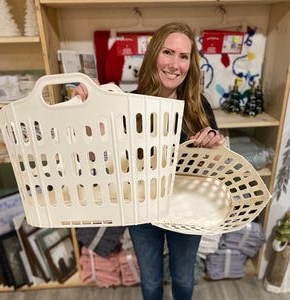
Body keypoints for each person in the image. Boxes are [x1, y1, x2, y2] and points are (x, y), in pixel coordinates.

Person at [72, 22, 226, 300]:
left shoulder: (198, 106)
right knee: (152, 281)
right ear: (154, 54)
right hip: (142, 211)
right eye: (168, 52)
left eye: (183, 56)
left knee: (182, 277)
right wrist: (85, 117)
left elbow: (210, 167)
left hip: (187, 209)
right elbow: (96, 158)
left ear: (191, 64)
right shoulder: (128, 105)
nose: (175, 64)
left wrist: (215, 147)